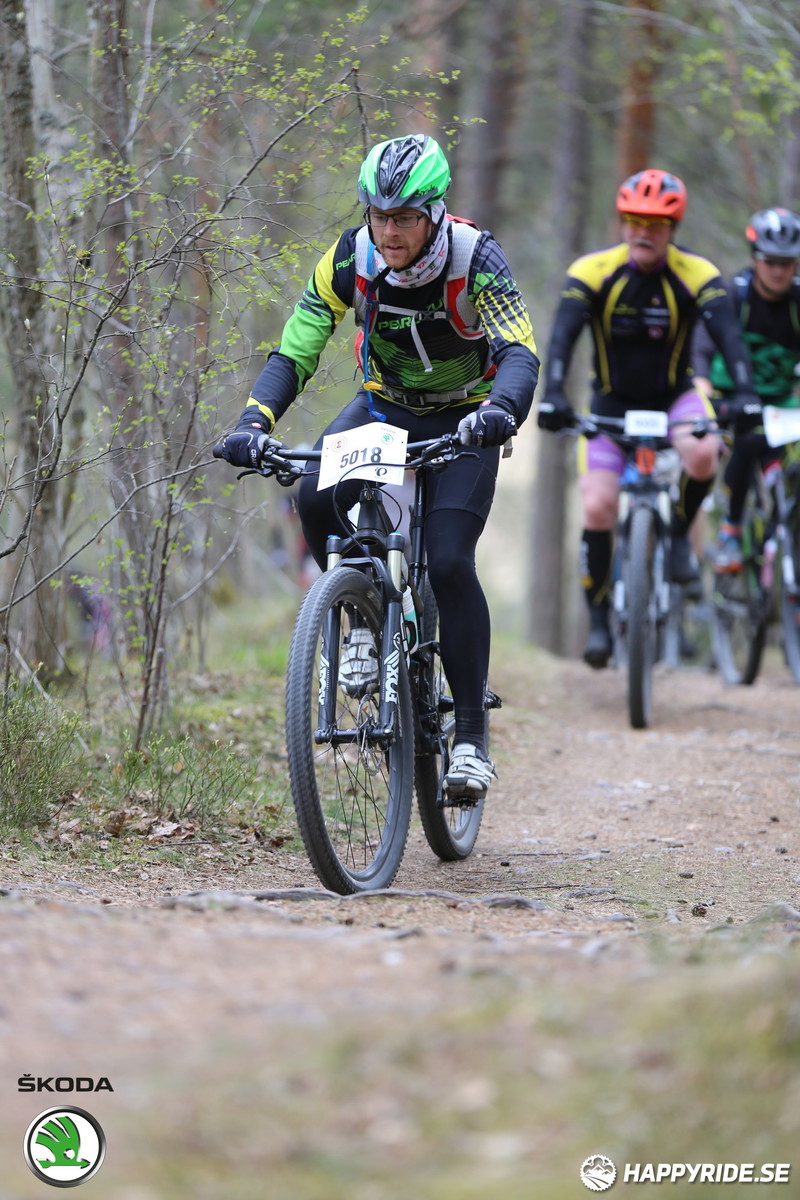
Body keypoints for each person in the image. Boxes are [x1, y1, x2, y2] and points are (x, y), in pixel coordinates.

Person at [218, 133, 539, 800]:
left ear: (434, 213)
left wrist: (500, 411)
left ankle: (473, 740)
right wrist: (254, 423)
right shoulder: (350, 257)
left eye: (404, 218)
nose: (389, 232)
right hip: (384, 409)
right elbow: (297, 349)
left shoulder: (475, 255)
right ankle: (361, 620)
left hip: (466, 416)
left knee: (450, 561)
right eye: (379, 215)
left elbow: (519, 351)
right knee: (313, 495)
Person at [537, 168, 759, 669]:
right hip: (609, 406)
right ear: (621, 223)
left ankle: (679, 534)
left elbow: (728, 335)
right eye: (634, 221)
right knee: (597, 506)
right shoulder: (593, 271)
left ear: (672, 229)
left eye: (655, 224)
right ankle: (597, 623)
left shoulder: (696, 274)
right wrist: (552, 392)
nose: (643, 231)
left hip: (675, 400)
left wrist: (744, 390)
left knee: (704, 452)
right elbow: (563, 338)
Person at [692, 207, 800, 572]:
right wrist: (704, 391)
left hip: (782, 405)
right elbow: (703, 347)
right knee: (749, 437)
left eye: (787, 262)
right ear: (755, 258)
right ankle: (730, 531)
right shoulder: (734, 296)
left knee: (791, 475)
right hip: (731, 401)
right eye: (770, 260)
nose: (778, 270)